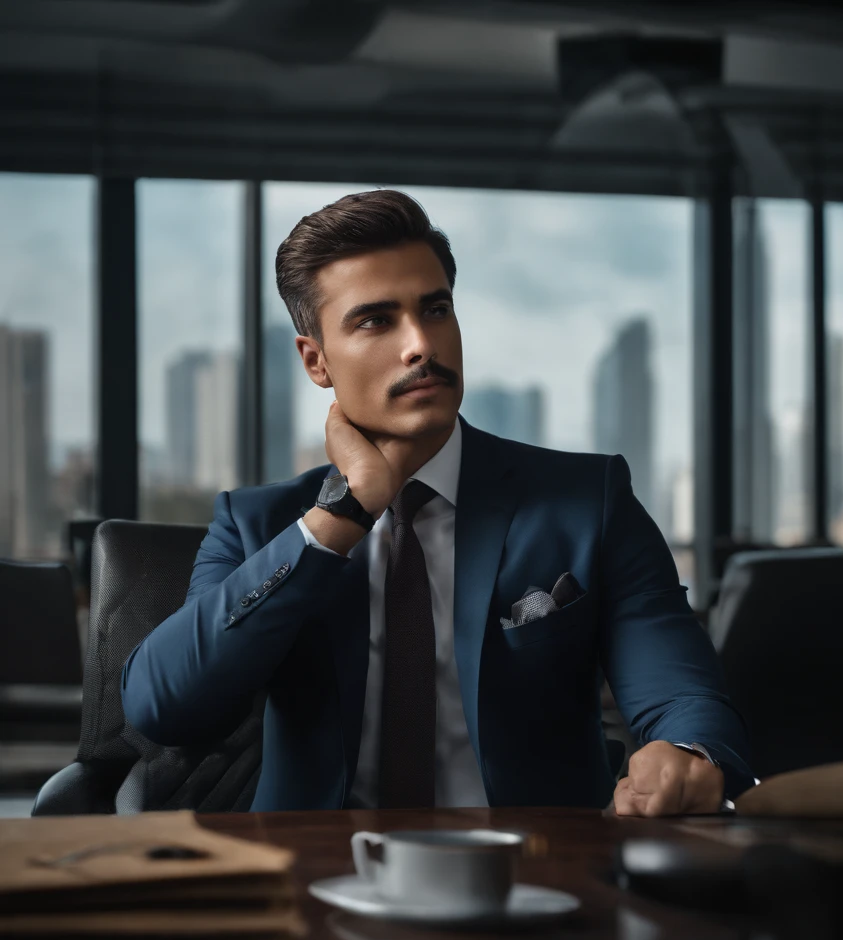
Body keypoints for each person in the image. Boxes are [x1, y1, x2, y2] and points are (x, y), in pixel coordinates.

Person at [121, 189, 753, 815]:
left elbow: (682, 695)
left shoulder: (589, 502)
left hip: (536, 876)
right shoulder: (258, 524)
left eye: (436, 309)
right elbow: (163, 707)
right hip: (312, 876)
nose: (420, 342)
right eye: (375, 320)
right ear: (316, 361)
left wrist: (686, 754)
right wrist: (342, 518)